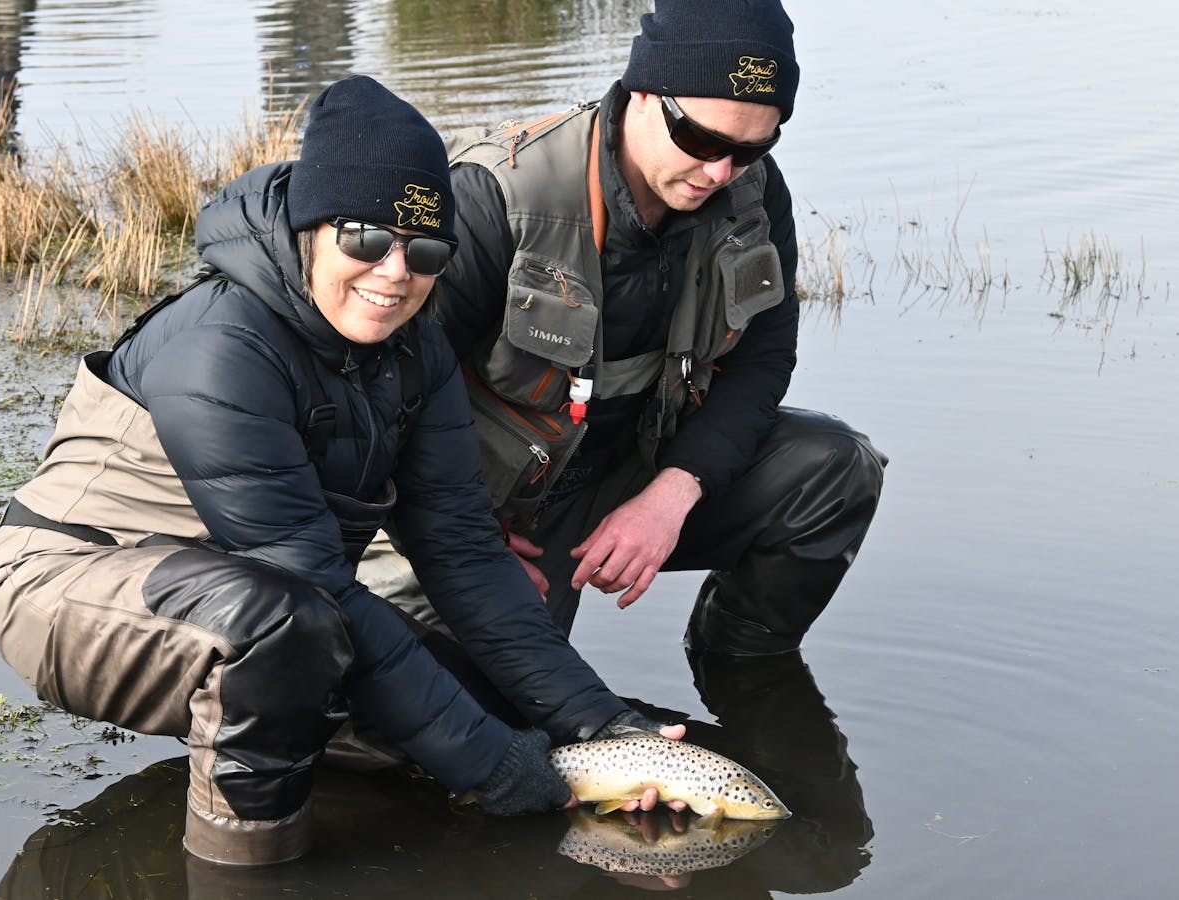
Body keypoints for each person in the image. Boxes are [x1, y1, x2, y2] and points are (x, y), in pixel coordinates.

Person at [0, 75, 677, 869]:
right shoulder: (219, 348)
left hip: (263, 593)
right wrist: (493, 767)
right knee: (286, 640)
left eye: (426, 250)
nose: (394, 273)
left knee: (489, 702)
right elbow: (315, 589)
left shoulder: (421, 352)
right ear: (313, 226)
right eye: (367, 239)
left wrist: (599, 724)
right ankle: (242, 874)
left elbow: (465, 555)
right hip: (68, 584)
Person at [373, 0, 886, 656]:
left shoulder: (751, 191)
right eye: (701, 141)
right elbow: (389, 397)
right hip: (494, 508)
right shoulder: (493, 196)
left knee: (838, 469)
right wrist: (464, 537)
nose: (720, 173)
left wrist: (676, 491)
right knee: (479, 709)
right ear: (643, 92)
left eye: (753, 147)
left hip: (639, 471)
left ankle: (745, 683)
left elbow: (763, 357)